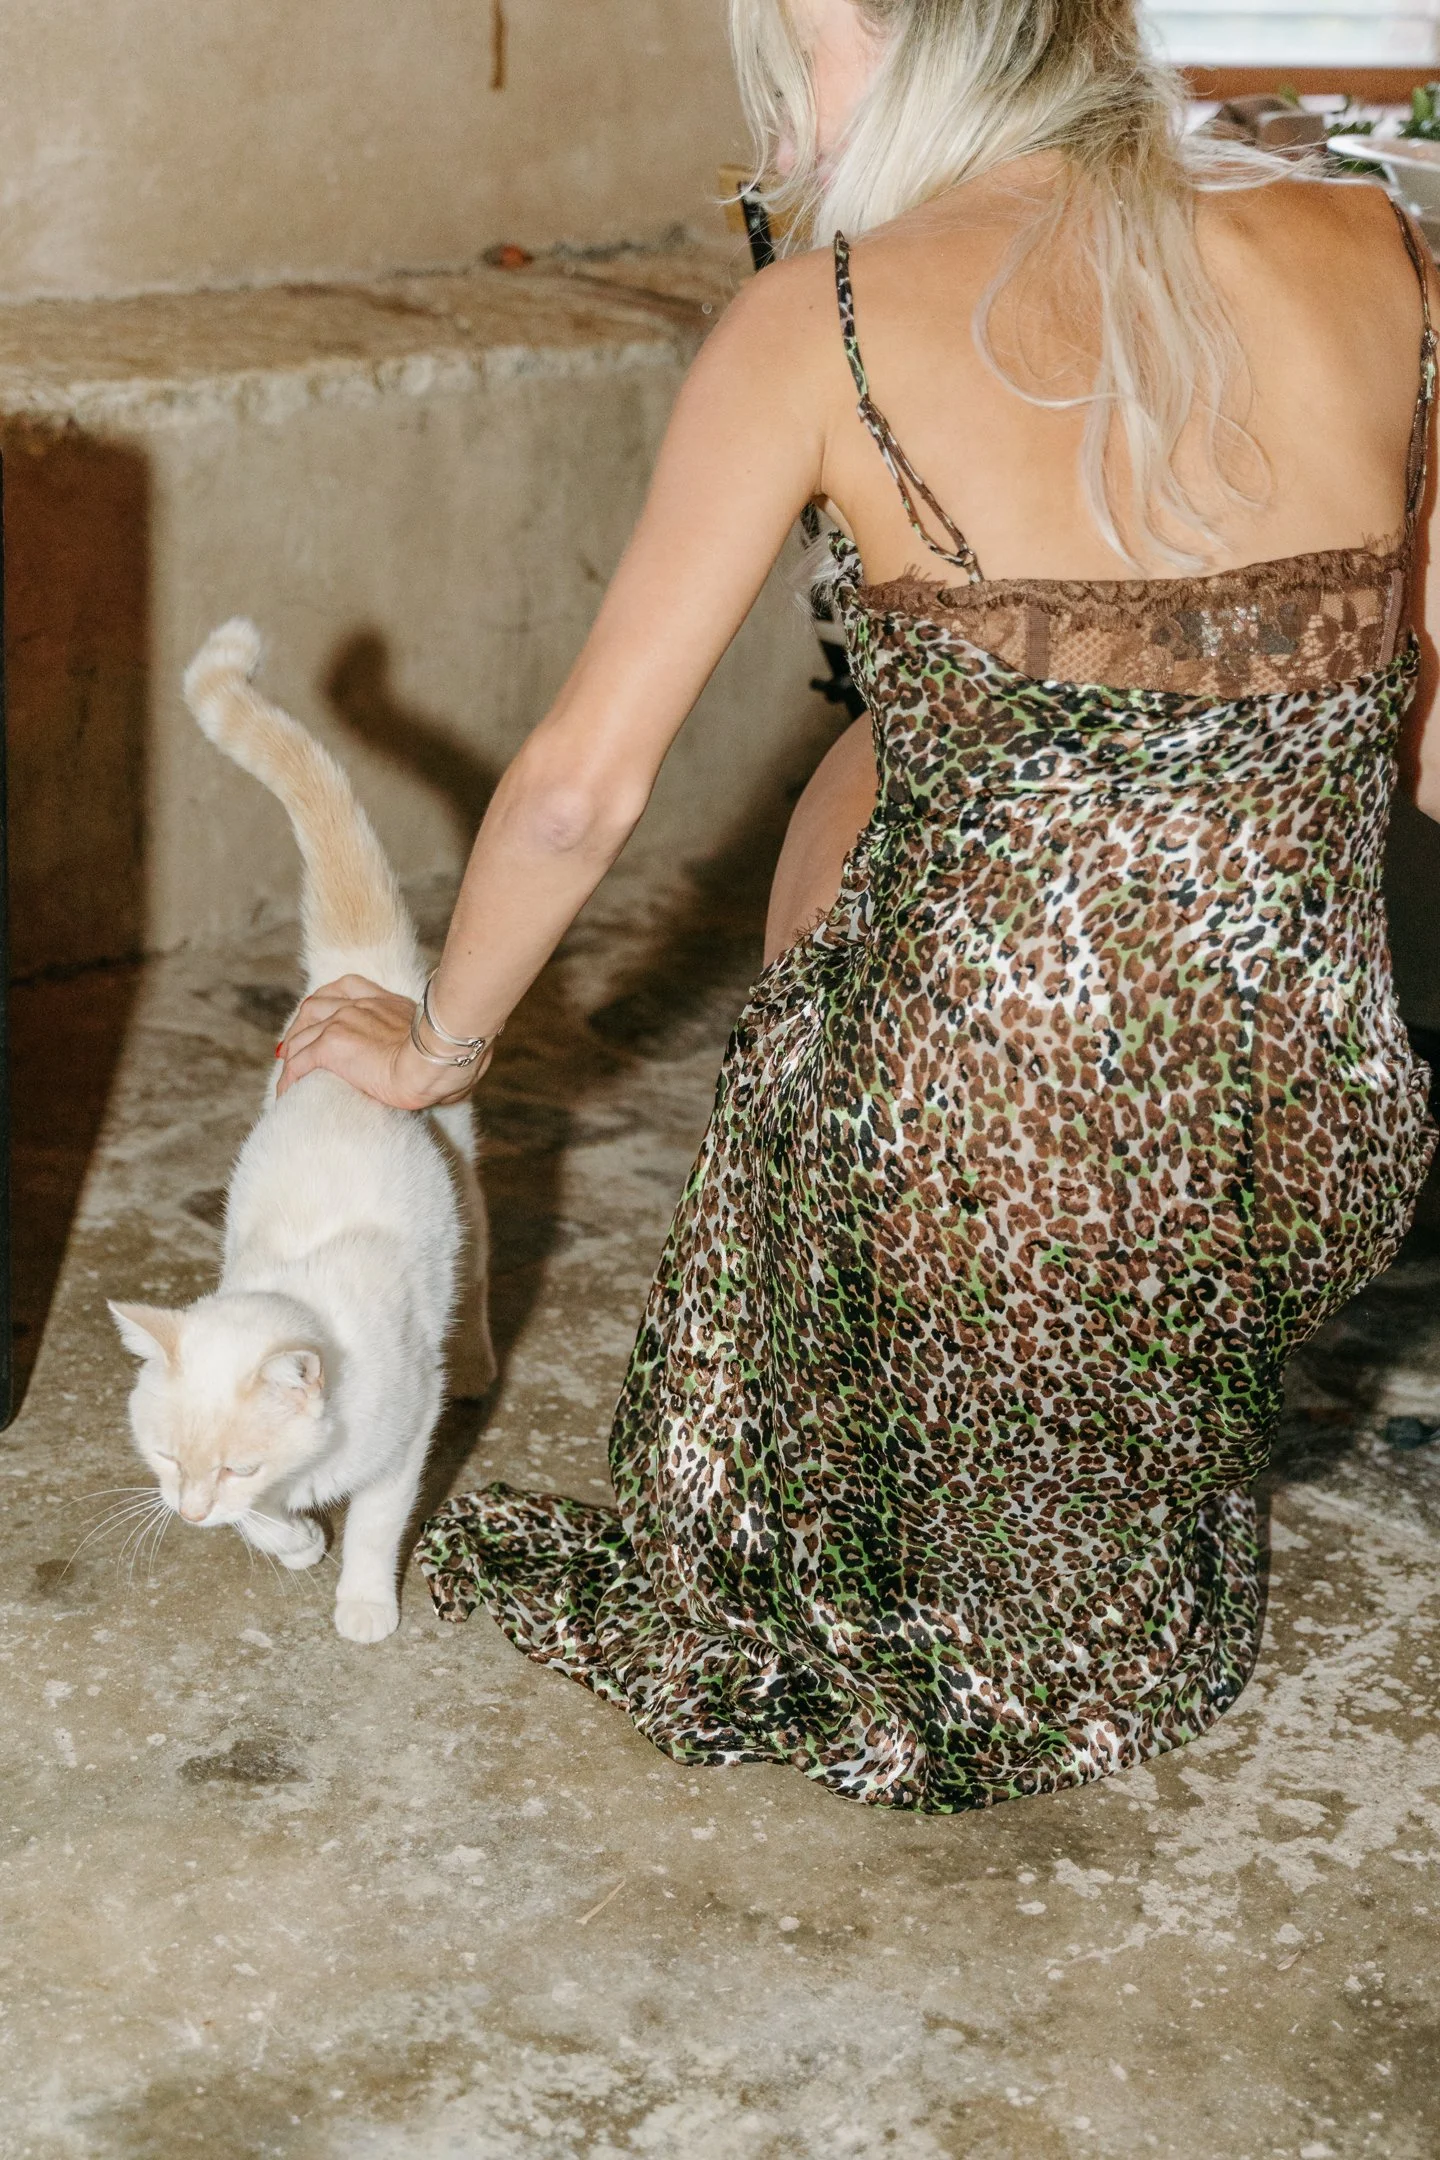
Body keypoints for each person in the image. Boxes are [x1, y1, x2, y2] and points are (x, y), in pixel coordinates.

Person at [276, 0, 1440, 1810]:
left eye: (800, 62)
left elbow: (584, 789)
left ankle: (953, 1444)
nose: (784, 128)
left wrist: (442, 1046)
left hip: (1005, 1181)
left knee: (910, 884)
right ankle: (1087, 1466)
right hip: (1312, 1147)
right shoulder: (1373, 240)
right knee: (900, 757)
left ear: (918, 37)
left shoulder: (818, 322)